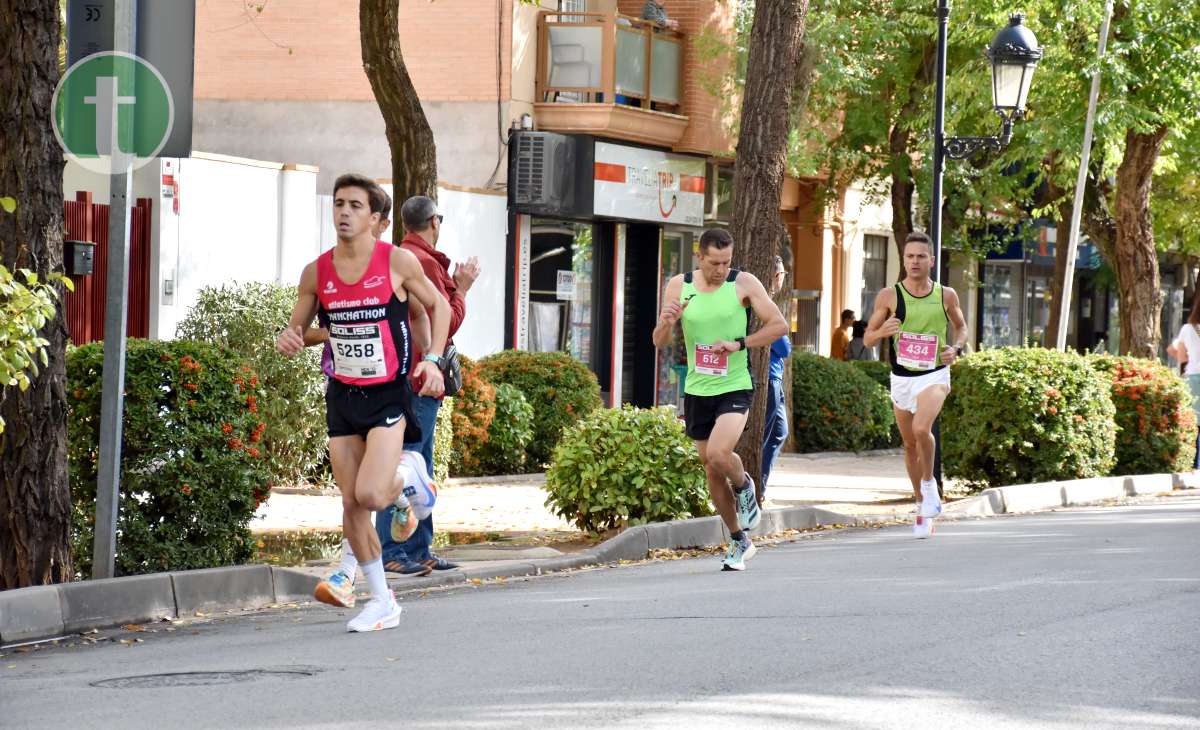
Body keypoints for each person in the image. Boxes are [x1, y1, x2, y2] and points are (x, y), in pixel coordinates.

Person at [276, 173, 450, 632]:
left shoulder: (396, 262)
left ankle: (411, 475)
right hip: (342, 395)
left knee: (372, 493)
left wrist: (432, 360)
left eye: (355, 205)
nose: (344, 212)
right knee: (352, 504)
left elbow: (440, 306)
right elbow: (300, 329)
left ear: (375, 218)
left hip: (387, 393)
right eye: (338, 204)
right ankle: (382, 601)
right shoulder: (317, 271)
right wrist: (293, 338)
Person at [652, 229, 788, 571]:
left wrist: (740, 343)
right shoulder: (678, 286)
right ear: (700, 257)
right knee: (712, 470)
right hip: (698, 389)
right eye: (714, 263)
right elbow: (659, 340)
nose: (721, 269)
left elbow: (779, 325)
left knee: (718, 453)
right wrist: (668, 321)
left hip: (735, 384)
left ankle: (745, 486)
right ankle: (738, 539)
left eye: (726, 262)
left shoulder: (743, 283)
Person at [376, 195, 481, 577]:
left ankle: (419, 549)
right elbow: (446, 321)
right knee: (404, 465)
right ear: (434, 222)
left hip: (418, 378)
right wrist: (464, 288)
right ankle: (393, 549)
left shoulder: (410, 257)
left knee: (419, 466)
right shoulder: (418, 262)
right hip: (417, 378)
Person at [862, 230, 968, 539]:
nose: (915, 261)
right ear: (904, 260)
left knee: (923, 430)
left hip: (934, 375)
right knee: (910, 445)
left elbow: (961, 328)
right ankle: (922, 504)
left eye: (921, 256)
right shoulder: (889, 295)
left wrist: (956, 350)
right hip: (902, 378)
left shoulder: (945, 295)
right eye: (909, 256)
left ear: (931, 261)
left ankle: (929, 485)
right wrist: (882, 332)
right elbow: (868, 336)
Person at [760, 254, 792, 505]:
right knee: (767, 435)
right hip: (769, 378)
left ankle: (759, 486)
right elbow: (784, 348)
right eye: (783, 274)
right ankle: (756, 489)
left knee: (779, 432)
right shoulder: (766, 304)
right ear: (777, 276)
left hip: (772, 378)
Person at [1166, 294, 1200, 469]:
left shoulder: (1188, 329)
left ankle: (1195, 462)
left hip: (1193, 377)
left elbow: (1181, 357)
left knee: (1194, 420)